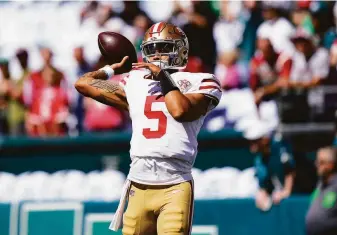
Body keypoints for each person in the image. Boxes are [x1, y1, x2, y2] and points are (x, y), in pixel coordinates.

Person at [75, 22, 222, 235]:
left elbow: (180, 110)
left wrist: (163, 77)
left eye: (163, 47)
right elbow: (83, 83)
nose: (157, 54)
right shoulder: (135, 82)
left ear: (180, 49)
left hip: (174, 184)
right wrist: (110, 69)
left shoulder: (201, 81)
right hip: (138, 183)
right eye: (152, 49)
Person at [244, 122, 295, 211]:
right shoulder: (259, 161)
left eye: (255, 140)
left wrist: (286, 191)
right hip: (278, 195)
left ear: (265, 139)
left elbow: (290, 170)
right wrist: (262, 193)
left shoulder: (280, 148)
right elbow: (264, 184)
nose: (252, 144)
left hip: (298, 195)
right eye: (250, 141)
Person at [306, 147, 337, 235]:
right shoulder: (320, 185)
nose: (316, 165)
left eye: (321, 162)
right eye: (317, 161)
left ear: (331, 165)